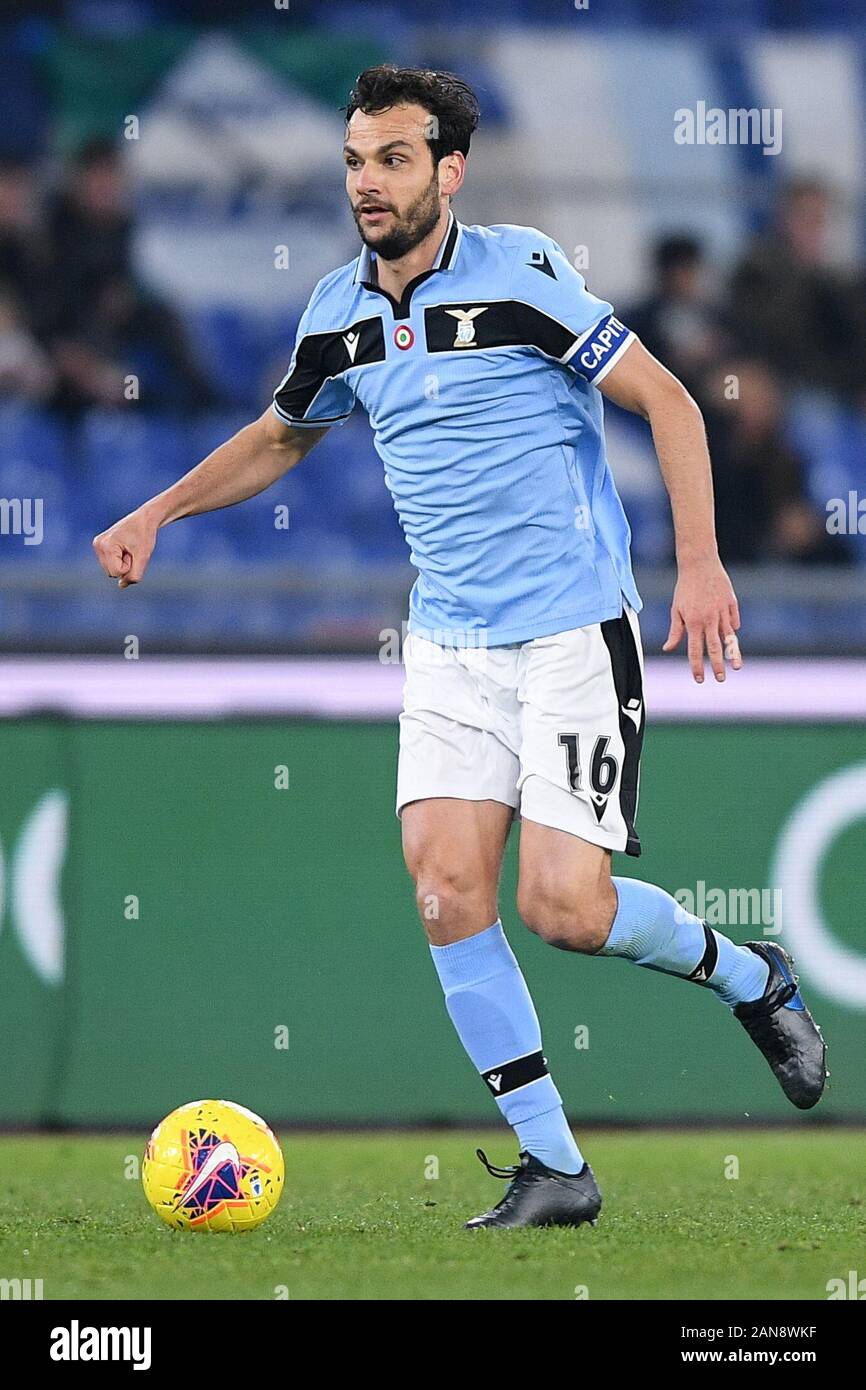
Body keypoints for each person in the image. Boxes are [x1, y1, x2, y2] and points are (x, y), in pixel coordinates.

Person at [92, 66, 827, 1230]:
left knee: (563, 909)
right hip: (446, 644)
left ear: (448, 169)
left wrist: (697, 563)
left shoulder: (524, 274)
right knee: (443, 890)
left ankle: (751, 975)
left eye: (391, 159)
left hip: (571, 632)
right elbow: (281, 438)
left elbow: (671, 403)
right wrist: (157, 512)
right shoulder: (336, 311)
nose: (366, 183)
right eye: (351, 161)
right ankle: (556, 1167)